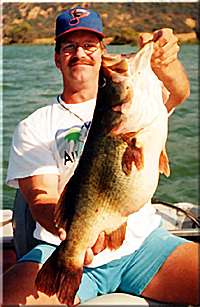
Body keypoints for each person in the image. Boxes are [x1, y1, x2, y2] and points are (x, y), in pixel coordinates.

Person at [3, 6, 199, 306]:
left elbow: (179, 89)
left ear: (101, 52)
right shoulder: (34, 125)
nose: (80, 53)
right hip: (64, 244)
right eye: (69, 46)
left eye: (89, 45)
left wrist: (166, 61)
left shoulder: (140, 107)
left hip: (146, 246)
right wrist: (77, 235)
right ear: (57, 58)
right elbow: (41, 200)